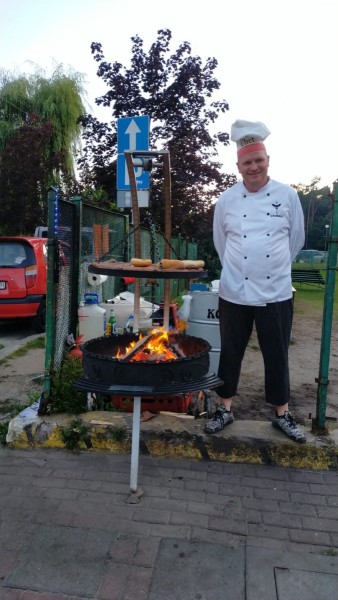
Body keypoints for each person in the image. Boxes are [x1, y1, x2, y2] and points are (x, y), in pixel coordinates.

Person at [205, 119, 306, 443]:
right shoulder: (227, 201)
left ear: (268, 161)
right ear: (238, 165)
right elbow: (221, 243)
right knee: (230, 352)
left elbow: (296, 240)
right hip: (234, 290)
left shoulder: (287, 196)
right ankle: (224, 409)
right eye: (247, 162)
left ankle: (282, 414)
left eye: (258, 160)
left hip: (276, 291)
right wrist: (237, 270)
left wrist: (275, 267)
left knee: (276, 354)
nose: (254, 167)